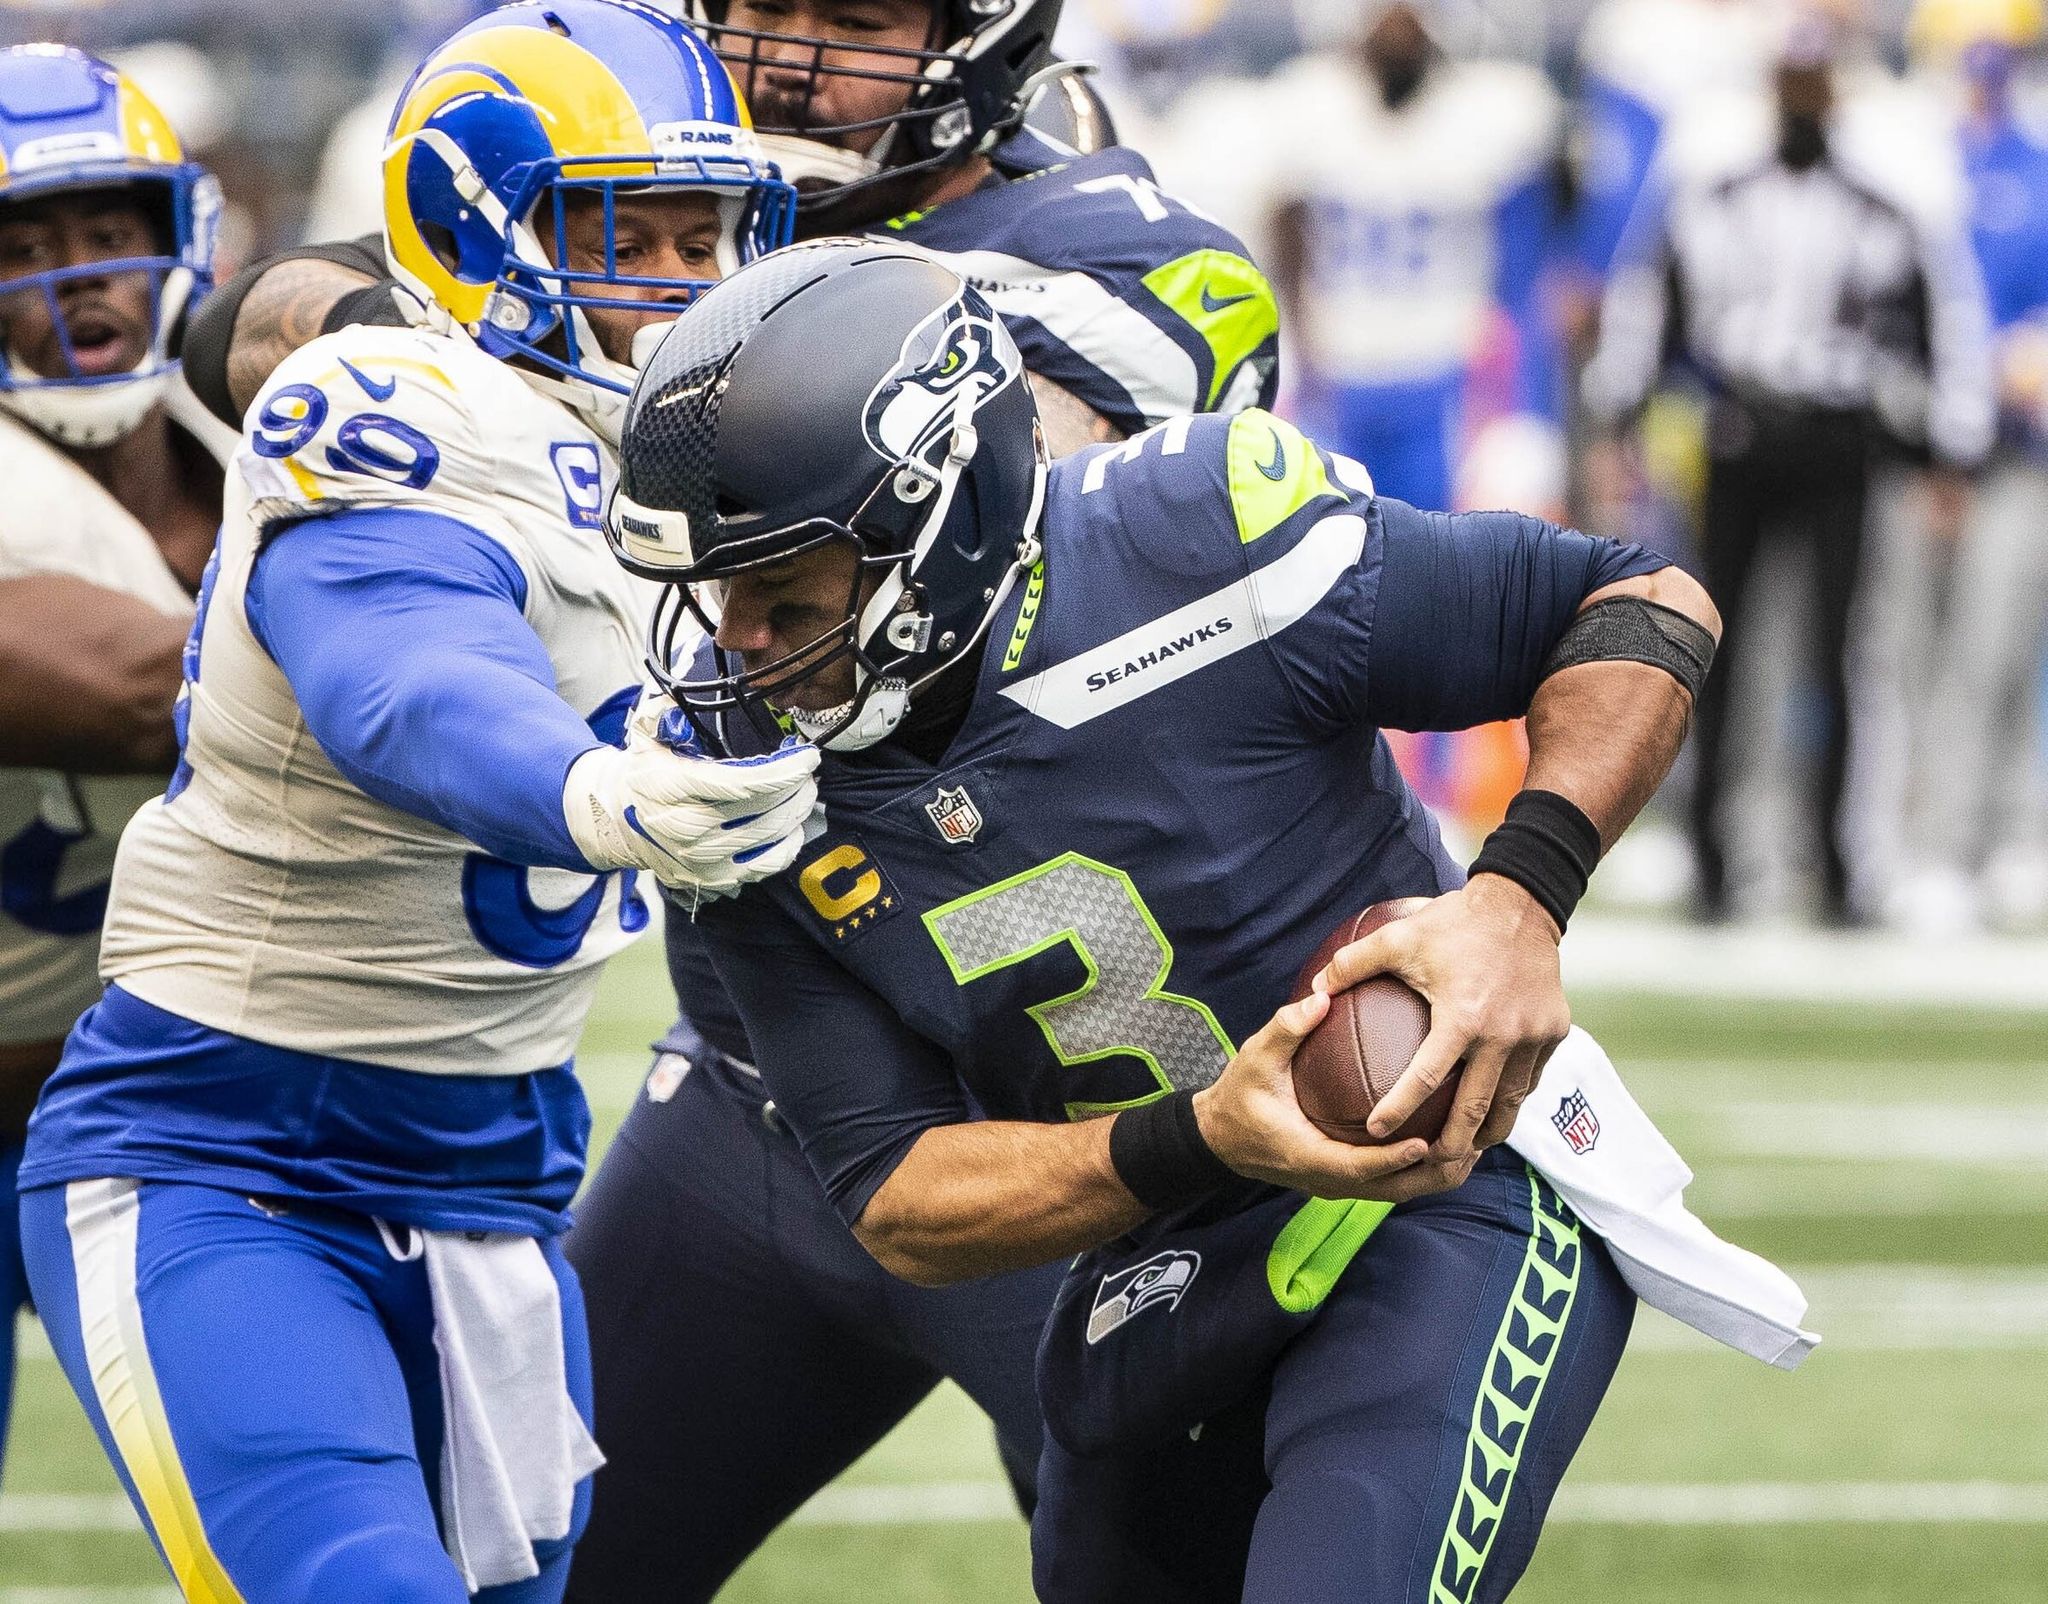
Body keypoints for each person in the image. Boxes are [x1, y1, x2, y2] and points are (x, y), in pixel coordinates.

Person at [173, 2, 1278, 1592]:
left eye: (853, 14)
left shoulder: (1124, 258)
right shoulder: (628, 188)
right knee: (528, 1570)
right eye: (760, 3)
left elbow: (852, 477)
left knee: (1181, 1577)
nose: (790, 51)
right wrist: (409, 323)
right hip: (762, 1075)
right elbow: (253, 324)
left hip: (1054, 1097)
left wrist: (499, 341)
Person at [607, 240, 1817, 1604]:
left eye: (785, 594)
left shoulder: (1192, 540)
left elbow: (1639, 603)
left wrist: (1515, 900)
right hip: (1166, 1250)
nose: (738, 645)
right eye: (714, 595)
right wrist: (1201, 1136)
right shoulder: (734, 790)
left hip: (1442, 1175)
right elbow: (899, 1197)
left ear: (930, 528)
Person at [16, 6, 807, 1599]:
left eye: (700, 235)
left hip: (499, 1183)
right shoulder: (396, 410)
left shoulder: (726, 470)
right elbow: (401, 680)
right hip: (227, 1151)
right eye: (618, 234)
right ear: (481, 239)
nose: (674, 287)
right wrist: (588, 786)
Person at [1583, 17, 1993, 924]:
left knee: (1841, 653)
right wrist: (1620, 412)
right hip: (1739, 436)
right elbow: (1648, 302)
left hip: (1841, 442)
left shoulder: (1880, 203)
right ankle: (1716, 861)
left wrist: (1952, 448)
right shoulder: (1716, 193)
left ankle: (1839, 866)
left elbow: (1942, 318)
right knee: (1717, 647)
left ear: (1835, 93)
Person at [0, 43, 233, 1484]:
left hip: (173, 1111)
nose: (72, 277)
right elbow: (145, 691)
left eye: (103, 235)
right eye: (20, 246)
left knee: (269, 1504)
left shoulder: (255, 444)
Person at [1260, 0, 1568, 513]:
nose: (1396, 23)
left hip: (1446, 369)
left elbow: (1527, 268)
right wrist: (1302, 347)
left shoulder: (1490, 114)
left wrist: (1516, 386)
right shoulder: (1308, 106)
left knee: (1447, 546)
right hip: (1340, 366)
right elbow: (1285, 233)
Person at [1891, 3, 2048, 932]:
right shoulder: (1915, 170)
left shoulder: (2033, 168)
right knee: (1909, 657)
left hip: (2014, 450)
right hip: (1917, 447)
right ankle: (1923, 844)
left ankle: (1997, 838)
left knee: (1998, 649)